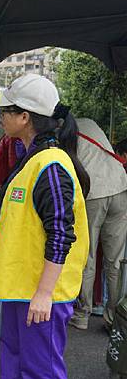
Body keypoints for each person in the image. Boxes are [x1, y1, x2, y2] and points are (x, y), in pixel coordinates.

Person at [0, 73, 90, 379]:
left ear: (25, 117)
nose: (1, 117)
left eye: (6, 111)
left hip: (41, 294)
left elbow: (60, 233)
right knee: (14, 367)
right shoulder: (32, 158)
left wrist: (44, 293)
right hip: (21, 288)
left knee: (40, 374)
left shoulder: (51, 165)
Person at [69, 118, 127, 330]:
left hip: (94, 193)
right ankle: (114, 320)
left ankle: (82, 315)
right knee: (116, 261)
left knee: (88, 255)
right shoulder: (90, 123)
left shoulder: (64, 132)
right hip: (121, 187)